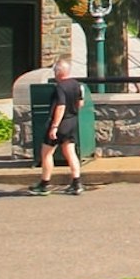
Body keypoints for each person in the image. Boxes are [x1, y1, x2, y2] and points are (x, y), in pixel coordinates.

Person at [31, 50, 87, 196]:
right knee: (70, 151)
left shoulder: (60, 87)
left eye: (55, 71)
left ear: (59, 72)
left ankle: (44, 183)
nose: (54, 74)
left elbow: (60, 106)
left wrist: (54, 126)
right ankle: (76, 182)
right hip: (72, 121)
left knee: (46, 153)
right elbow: (80, 103)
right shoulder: (76, 85)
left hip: (60, 124)